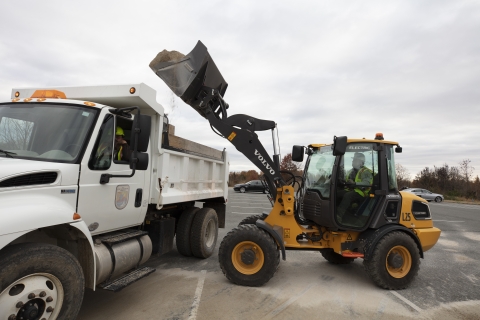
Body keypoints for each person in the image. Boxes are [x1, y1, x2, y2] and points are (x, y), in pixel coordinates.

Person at [336, 152, 373, 221]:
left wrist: (355, 183)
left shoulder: (365, 172)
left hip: (362, 193)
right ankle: (333, 212)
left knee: (348, 196)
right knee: (336, 193)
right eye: (353, 160)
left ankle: (339, 216)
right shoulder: (351, 171)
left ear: (360, 162)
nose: (352, 161)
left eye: (355, 160)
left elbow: (367, 183)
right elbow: (346, 180)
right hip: (351, 190)